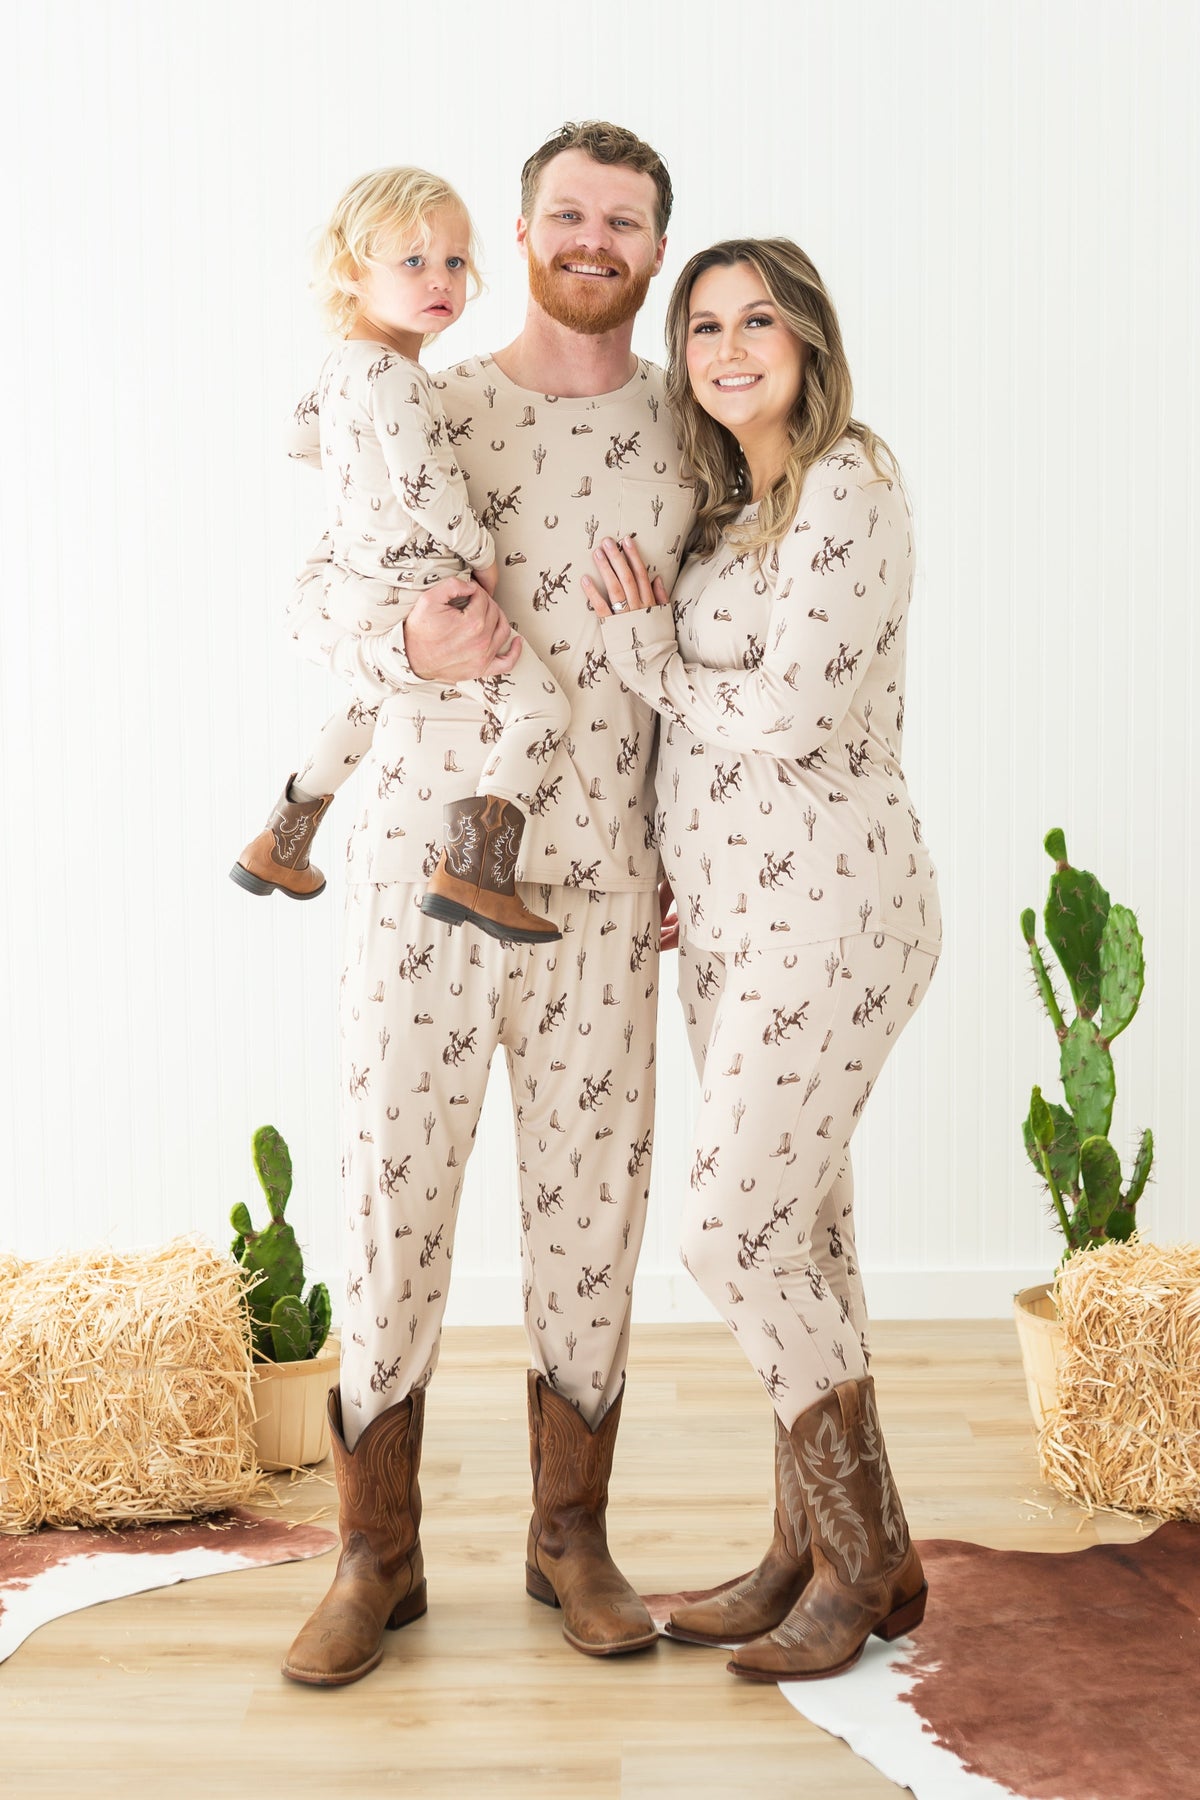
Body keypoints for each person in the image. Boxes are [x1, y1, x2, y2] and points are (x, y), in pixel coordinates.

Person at [277, 123, 695, 1686]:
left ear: (656, 250)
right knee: (395, 1192)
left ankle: (565, 1535)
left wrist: (696, 858)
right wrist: (406, 645)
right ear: (520, 234)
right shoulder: (428, 403)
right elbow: (314, 594)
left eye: (626, 222)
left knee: (593, 1212)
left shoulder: (693, 434)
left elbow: (713, 660)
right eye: (567, 214)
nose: (594, 238)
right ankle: (373, 1554)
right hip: (409, 877)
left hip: (601, 886)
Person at [586, 237, 942, 1681]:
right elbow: (708, 742)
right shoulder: (737, 519)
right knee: (803, 1240)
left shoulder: (852, 484)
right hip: (734, 925)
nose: (730, 348)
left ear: (807, 338)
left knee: (727, 1231)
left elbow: (788, 715)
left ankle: (872, 1563)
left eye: (758, 321)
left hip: (837, 914)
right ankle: (799, 1547)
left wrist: (644, 652)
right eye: (706, 326)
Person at [231, 166, 569, 944]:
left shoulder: (339, 367)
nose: (440, 279)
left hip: (361, 582)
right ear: (352, 271)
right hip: (420, 583)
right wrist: (480, 551)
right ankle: (477, 871)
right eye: (411, 262)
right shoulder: (400, 376)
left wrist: (359, 482)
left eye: (453, 261)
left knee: (366, 699)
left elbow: (297, 439)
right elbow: (426, 484)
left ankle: (283, 839)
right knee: (541, 707)